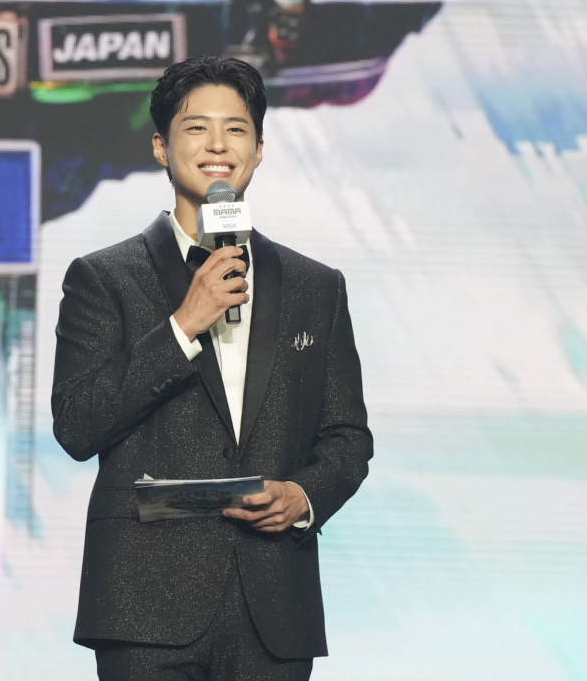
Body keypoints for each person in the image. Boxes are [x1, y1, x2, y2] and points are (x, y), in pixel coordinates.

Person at [51, 55, 372, 680]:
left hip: (273, 608)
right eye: (196, 128)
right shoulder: (103, 279)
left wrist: (303, 496)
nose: (218, 145)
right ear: (161, 148)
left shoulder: (316, 286)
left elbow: (347, 438)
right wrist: (182, 326)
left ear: (258, 150)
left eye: (237, 129)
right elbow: (77, 425)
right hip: (145, 605)